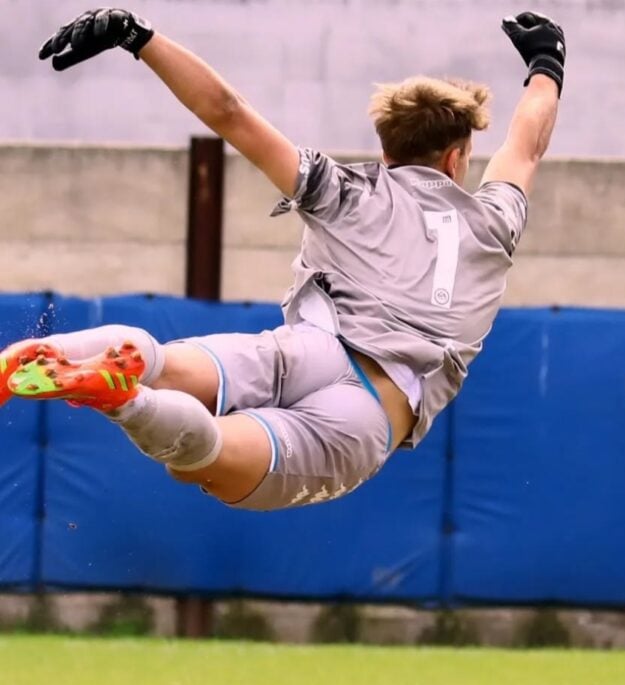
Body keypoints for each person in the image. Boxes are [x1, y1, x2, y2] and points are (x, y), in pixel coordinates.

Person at [1, 8, 564, 510]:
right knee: (203, 459)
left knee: (169, 367)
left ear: (386, 148)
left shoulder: (345, 190)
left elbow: (229, 112)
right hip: (372, 408)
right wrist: (547, 64)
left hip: (308, 348)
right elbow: (526, 147)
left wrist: (137, 35)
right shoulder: (493, 223)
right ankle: (125, 403)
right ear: (456, 159)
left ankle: (32, 358)